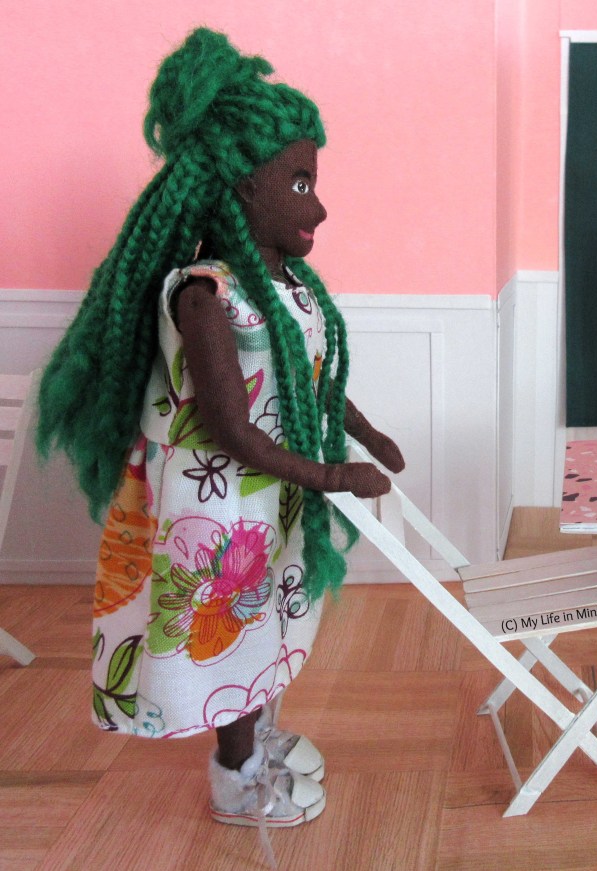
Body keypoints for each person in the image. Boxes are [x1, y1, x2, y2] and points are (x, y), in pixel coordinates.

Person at [36, 27, 403, 828]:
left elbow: (309, 380)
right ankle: (239, 782)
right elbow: (234, 434)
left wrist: (365, 433)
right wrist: (337, 475)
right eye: (299, 181)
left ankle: (259, 737)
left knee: (267, 626)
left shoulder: (283, 285)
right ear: (241, 188)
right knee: (230, 638)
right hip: (219, 511)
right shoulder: (206, 294)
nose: (319, 203)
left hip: (268, 502)